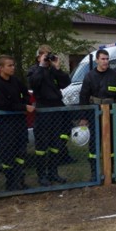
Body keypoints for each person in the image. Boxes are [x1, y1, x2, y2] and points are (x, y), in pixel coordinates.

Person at [0, 55, 35, 191]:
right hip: (7, 125)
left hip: (20, 123)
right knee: (8, 155)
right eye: (9, 65)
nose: (12, 68)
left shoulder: (15, 81)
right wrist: (23, 107)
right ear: (0, 68)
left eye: (13, 65)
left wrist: (26, 102)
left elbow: (25, 93)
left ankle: (20, 180)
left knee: (21, 152)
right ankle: (10, 182)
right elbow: (2, 104)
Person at [27, 45, 71, 186]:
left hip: (56, 108)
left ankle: (53, 172)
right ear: (38, 56)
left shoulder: (53, 71)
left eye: (48, 55)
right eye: (44, 55)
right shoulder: (34, 70)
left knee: (55, 144)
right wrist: (41, 66)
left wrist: (57, 67)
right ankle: (41, 175)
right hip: (43, 109)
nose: (47, 58)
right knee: (42, 145)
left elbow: (66, 83)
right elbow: (34, 84)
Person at [79, 49, 116, 182]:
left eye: (107, 59)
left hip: (111, 113)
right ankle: (94, 173)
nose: (105, 61)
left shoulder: (114, 75)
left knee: (112, 143)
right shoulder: (90, 76)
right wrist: (84, 117)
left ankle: (111, 172)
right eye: (102, 59)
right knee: (94, 144)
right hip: (95, 114)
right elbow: (83, 97)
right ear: (97, 60)